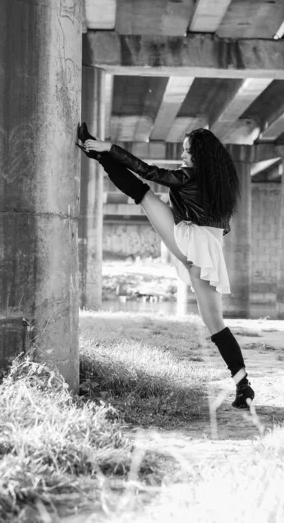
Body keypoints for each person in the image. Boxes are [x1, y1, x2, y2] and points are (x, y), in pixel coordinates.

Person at [77, 123, 255, 409]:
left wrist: (109, 148)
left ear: (201, 156)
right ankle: (243, 385)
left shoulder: (189, 176)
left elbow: (147, 171)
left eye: (187, 152)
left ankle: (98, 154)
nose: (183, 156)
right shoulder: (219, 180)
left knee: (144, 193)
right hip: (207, 247)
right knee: (215, 324)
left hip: (190, 240)